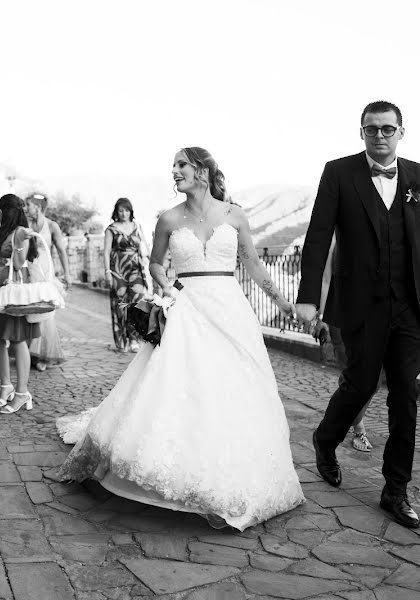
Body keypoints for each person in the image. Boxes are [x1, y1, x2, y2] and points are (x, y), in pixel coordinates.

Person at [56, 147, 304, 531]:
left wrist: (283, 303)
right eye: (174, 166)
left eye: (181, 165)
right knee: (181, 382)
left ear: (202, 171)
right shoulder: (168, 218)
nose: (174, 171)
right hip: (187, 306)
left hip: (230, 309)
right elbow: (155, 262)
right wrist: (168, 288)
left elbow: (252, 264)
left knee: (237, 385)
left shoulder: (234, 214)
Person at [296, 100, 420, 529]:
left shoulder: (419, 176)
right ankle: (325, 440)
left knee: (405, 395)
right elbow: (317, 236)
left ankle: (395, 490)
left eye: (388, 129)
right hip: (360, 304)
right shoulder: (339, 172)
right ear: (361, 132)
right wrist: (307, 298)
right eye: (372, 129)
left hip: (410, 305)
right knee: (360, 384)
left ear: (401, 131)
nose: (380, 136)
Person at [0, 194, 41, 414]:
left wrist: (20, 244)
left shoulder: (21, 231)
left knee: (17, 337)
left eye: (0, 209)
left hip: (12, 284)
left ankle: (22, 393)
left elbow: (20, 262)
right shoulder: (3, 232)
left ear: (5, 211)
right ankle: (6, 385)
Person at [312, 234, 376, 452]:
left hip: (375, 313)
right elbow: (326, 279)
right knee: (354, 375)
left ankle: (336, 426)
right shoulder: (336, 237)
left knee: (372, 380)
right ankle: (358, 428)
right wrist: (323, 319)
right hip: (342, 314)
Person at [25, 193, 69, 371]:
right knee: (32, 312)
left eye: (28, 205)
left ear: (37, 207)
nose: (26, 208)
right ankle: (31, 353)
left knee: (47, 315)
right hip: (30, 272)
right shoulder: (26, 226)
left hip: (45, 273)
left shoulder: (52, 226)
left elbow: (61, 250)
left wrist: (67, 274)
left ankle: (44, 354)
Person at [104, 198, 151, 352]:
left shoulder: (137, 226)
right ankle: (121, 341)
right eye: (121, 210)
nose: (124, 213)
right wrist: (107, 272)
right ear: (116, 212)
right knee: (120, 305)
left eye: (126, 210)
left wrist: (149, 261)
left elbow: (144, 245)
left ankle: (135, 340)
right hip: (118, 270)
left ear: (131, 211)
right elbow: (106, 252)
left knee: (137, 303)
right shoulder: (111, 229)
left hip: (136, 269)